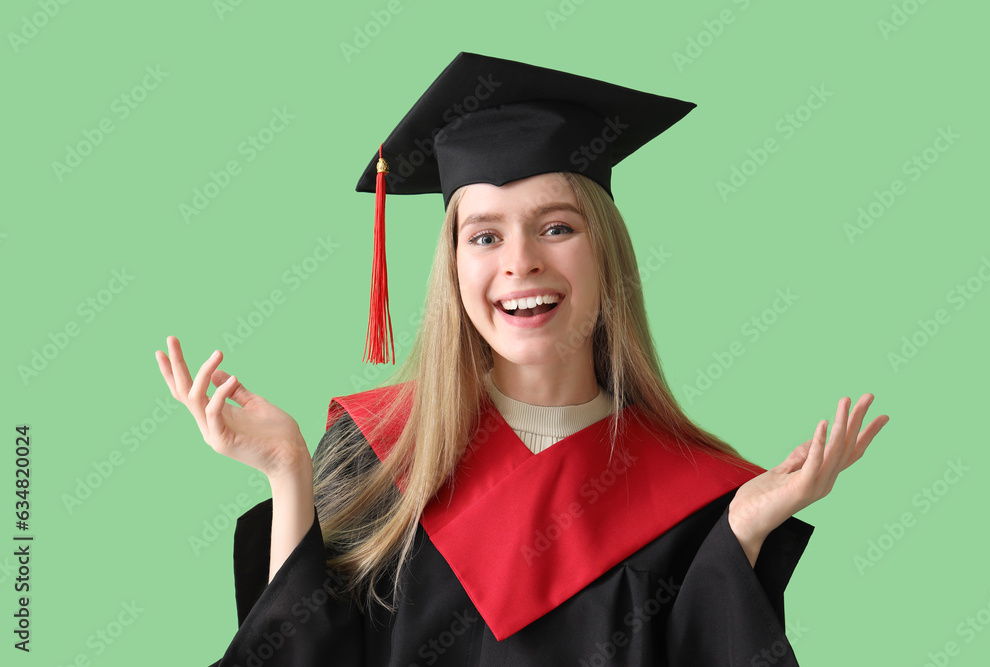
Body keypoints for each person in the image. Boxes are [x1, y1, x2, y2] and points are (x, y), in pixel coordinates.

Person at [155, 52, 889, 666]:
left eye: (557, 226)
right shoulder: (379, 451)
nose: (521, 263)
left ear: (607, 254)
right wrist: (290, 474)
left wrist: (743, 536)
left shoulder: (694, 498)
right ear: (451, 269)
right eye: (484, 236)